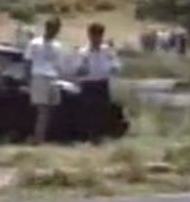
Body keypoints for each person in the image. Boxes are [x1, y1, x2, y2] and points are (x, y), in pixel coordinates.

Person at [74, 22, 121, 142]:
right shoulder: (83, 52)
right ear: (89, 35)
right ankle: (89, 137)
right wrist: (81, 69)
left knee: (102, 110)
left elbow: (116, 65)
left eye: (99, 35)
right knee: (88, 111)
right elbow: (76, 69)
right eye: (94, 35)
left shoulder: (107, 51)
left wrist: (112, 69)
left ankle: (100, 136)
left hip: (102, 83)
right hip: (88, 84)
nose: (96, 38)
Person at [24, 16, 65, 144]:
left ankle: (45, 136)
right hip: (39, 77)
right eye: (52, 28)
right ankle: (38, 138)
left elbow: (59, 64)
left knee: (52, 109)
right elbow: (28, 62)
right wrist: (28, 80)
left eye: (56, 29)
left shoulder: (58, 45)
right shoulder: (35, 43)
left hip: (53, 78)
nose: (54, 31)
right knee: (43, 110)